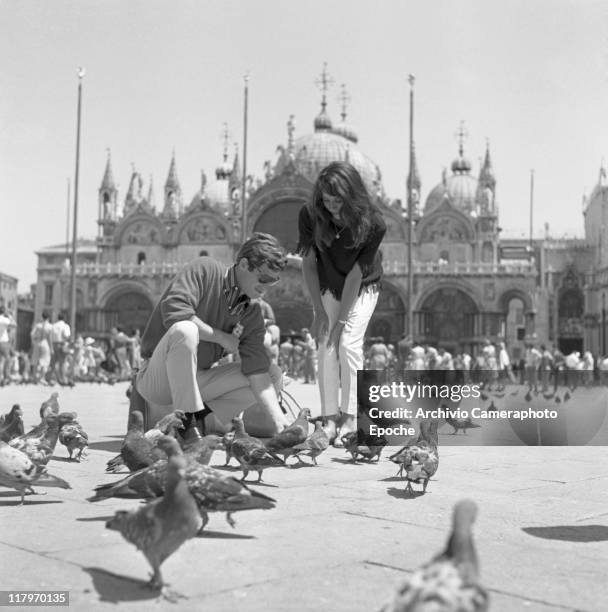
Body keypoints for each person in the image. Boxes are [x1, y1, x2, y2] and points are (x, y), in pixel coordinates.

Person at [136, 232, 290, 438]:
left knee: (272, 374)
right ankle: (186, 426)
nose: (266, 287)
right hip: (158, 378)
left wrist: (281, 423)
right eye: (263, 278)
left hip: (198, 379)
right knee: (185, 329)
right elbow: (175, 312)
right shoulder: (205, 269)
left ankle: (207, 422)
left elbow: (257, 373)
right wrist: (221, 337)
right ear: (244, 265)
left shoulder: (252, 312)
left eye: (273, 281)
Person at [297, 161, 386, 444]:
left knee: (347, 343)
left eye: (338, 201)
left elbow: (356, 275)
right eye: (327, 200)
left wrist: (342, 321)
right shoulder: (310, 214)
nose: (332, 207)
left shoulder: (374, 223)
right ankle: (329, 418)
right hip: (327, 283)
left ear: (352, 196)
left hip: (362, 286)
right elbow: (309, 264)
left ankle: (350, 417)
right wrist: (320, 312)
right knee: (326, 345)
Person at [0, 306, 16, 385]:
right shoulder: (4, 319)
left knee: (1, 361)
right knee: (7, 360)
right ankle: (6, 377)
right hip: (3, 342)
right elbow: (14, 324)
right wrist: (9, 315)